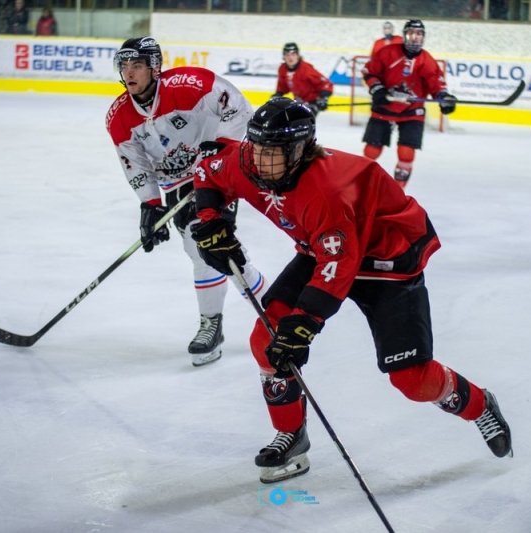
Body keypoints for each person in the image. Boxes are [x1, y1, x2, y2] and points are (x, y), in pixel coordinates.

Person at [190, 98, 512, 484]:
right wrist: (211, 219)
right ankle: (291, 434)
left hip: (387, 258)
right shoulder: (249, 162)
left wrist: (304, 323)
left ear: (299, 150)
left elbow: (337, 267)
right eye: (256, 147)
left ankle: (480, 405)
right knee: (267, 340)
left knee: (413, 380)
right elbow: (208, 166)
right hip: (325, 246)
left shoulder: (325, 190)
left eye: (271, 152)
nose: (259, 161)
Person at [105, 36, 269, 366]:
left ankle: (213, 324)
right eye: (124, 66)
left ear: (155, 67)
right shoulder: (119, 116)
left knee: (205, 245)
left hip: (216, 171)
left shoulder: (191, 84)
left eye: (137, 65)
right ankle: (275, 306)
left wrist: (221, 146)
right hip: (176, 184)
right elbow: (134, 164)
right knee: (219, 254)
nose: (129, 73)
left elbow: (238, 107)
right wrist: (150, 204)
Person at [361, 19, 457, 189]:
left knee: (406, 152)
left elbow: (436, 84)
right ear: (404, 35)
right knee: (371, 150)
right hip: (384, 107)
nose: (414, 37)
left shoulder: (427, 60)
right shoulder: (387, 52)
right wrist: (378, 89)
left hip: (412, 111)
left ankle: (398, 192)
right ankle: (361, 183)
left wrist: (444, 97)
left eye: (418, 34)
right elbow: (369, 71)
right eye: (411, 33)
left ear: (423, 37)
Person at [271, 42, 333, 117]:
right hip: (298, 102)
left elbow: (326, 83)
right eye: (287, 55)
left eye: (293, 54)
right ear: (284, 57)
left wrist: (323, 98)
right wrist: (278, 94)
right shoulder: (283, 69)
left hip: (312, 103)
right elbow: (283, 86)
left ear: (298, 55)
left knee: (301, 121)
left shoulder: (306, 69)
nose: (290, 57)